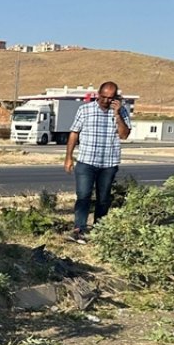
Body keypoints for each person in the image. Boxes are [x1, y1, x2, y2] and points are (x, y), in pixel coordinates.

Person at [65, 81, 131, 241]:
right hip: (86, 161)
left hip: (108, 163)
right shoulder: (84, 110)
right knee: (83, 195)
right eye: (103, 96)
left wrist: (117, 114)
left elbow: (124, 135)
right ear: (97, 94)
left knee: (103, 199)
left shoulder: (121, 112)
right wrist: (68, 157)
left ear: (115, 98)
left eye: (110, 98)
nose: (106, 100)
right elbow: (74, 133)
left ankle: (99, 229)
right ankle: (78, 229)